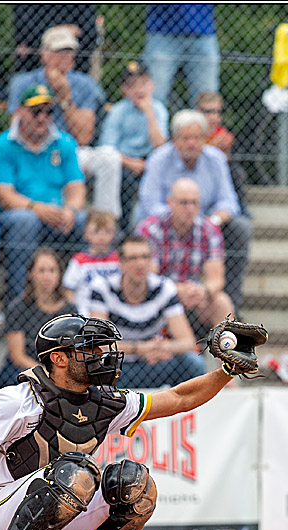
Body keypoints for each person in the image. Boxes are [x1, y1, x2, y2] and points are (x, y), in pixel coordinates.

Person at [0, 312, 267, 530]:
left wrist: (227, 371)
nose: (101, 356)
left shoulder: (105, 401)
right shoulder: (18, 399)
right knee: (75, 472)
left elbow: (179, 398)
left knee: (135, 482)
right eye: (88, 350)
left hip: (53, 523)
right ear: (59, 359)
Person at [136, 110, 252, 312]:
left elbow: (229, 202)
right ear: (175, 140)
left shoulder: (216, 159)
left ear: (205, 139)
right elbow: (150, 203)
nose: (192, 143)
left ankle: (232, 303)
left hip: (205, 223)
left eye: (197, 138)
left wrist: (210, 222)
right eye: (186, 138)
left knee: (240, 228)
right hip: (162, 222)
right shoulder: (158, 159)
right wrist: (180, 214)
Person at [8, 26, 122, 221]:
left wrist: (65, 98)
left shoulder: (85, 84)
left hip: (72, 151)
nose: (66, 57)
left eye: (70, 51)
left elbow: (84, 136)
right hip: (34, 151)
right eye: (59, 51)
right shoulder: (23, 82)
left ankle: (105, 223)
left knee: (109, 158)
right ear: (44, 55)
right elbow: (16, 129)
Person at [0, 84, 87, 304]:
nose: (42, 118)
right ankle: (18, 303)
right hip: (18, 214)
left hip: (57, 215)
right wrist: (37, 208)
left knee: (82, 220)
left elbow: (77, 187)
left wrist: (70, 210)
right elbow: (4, 195)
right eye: (36, 111)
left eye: (48, 111)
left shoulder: (64, 142)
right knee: (26, 221)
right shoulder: (3, 145)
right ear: (20, 111)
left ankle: (77, 300)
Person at [89, 235, 206, 389]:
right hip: (117, 367)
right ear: (122, 263)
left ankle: (188, 412)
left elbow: (187, 341)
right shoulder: (102, 288)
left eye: (145, 257)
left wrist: (164, 348)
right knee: (90, 368)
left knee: (193, 363)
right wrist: (140, 348)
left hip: (153, 363)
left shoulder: (164, 288)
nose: (141, 264)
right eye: (133, 258)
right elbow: (98, 343)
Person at [137, 177, 234, 330]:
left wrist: (203, 291)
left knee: (222, 302)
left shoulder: (210, 231)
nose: (189, 208)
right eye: (184, 203)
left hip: (193, 296)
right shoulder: (150, 229)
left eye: (194, 203)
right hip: (157, 295)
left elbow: (216, 279)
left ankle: (226, 352)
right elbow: (149, 278)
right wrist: (176, 290)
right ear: (170, 203)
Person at [96, 61, 169, 237]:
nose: (139, 90)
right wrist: (131, 163)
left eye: (143, 83)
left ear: (151, 85)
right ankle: (123, 229)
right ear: (124, 90)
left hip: (151, 160)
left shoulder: (159, 109)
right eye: (132, 85)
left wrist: (149, 113)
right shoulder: (117, 111)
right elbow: (107, 149)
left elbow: (162, 147)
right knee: (125, 180)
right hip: (124, 161)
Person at [0, 248, 76, 390]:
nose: (47, 276)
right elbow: (17, 356)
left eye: (52, 270)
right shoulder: (18, 308)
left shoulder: (69, 310)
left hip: (60, 368)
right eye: (42, 270)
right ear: (31, 274)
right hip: (26, 369)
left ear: (59, 274)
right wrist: (45, 373)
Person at [142, 4, 220, 108]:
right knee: (154, 95)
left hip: (203, 32)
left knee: (208, 99)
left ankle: (204, 125)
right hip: (162, 32)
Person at [63, 210, 121, 313]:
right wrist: (77, 311)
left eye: (107, 231)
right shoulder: (79, 261)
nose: (101, 236)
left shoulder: (118, 260)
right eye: (96, 231)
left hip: (114, 311)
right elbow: (68, 289)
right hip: (85, 310)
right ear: (85, 234)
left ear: (114, 234)